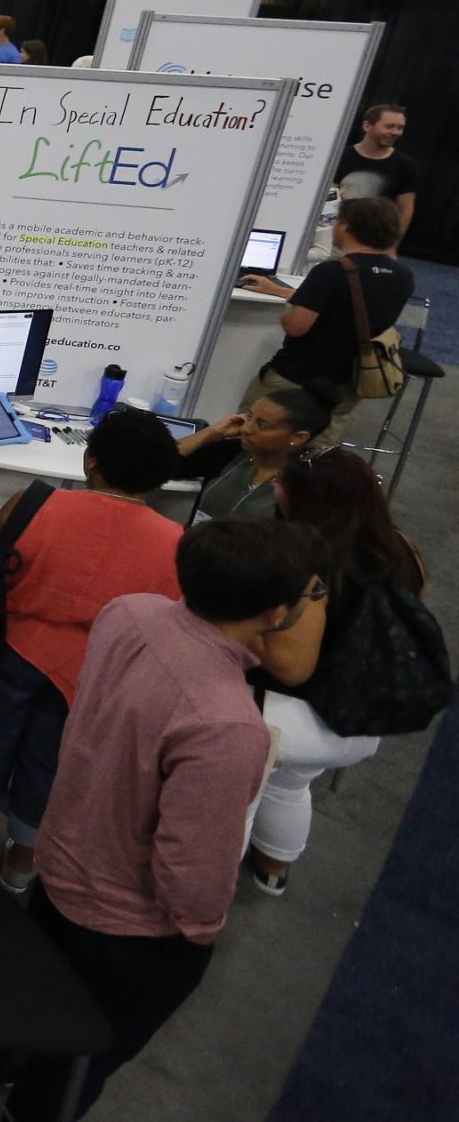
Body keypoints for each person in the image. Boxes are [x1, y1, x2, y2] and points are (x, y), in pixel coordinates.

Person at [0, 519, 320, 1118]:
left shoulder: (129, 611)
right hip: (130, 928)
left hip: (63, 859)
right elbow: (192, 863)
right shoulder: (226, 724)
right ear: (275, 614)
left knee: (27, 985)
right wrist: (200, 928)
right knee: (78, 1060)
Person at [0, 409, 184, 895]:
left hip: (14, 646)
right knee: (55, 757)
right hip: (94, 672)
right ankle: (23, 856)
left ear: (91, 461)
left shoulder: (32, 505)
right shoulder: (178, 545)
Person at [239, 449, 424, 898]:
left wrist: (235, 625)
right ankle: (272, 873)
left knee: (235, 804)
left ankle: (205, 895)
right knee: (291, 785)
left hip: (285, 717)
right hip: (360, 716)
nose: (275, 486)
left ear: (311, 499)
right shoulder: (400, 550)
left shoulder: (302, 566)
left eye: (282, 481)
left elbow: (288, 666)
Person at [239, 197, 412, 440]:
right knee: (313, 452)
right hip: (347, 385)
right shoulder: (402, 275)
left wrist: (290, 304)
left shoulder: (332, 271)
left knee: (249, 437)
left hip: (296, 377)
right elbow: (349, 306)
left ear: (346, 226)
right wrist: (281, 290)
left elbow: (296, 326)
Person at [175, 385, 333, 520]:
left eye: (261, 425)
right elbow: (163, 463)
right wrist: (212, 432)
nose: (245, 428)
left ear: (298, 437)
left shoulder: (306, 482)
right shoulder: (232, 451)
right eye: (249, 417)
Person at [332, 103, 416, 235]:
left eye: (400, 128)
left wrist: (392, 245)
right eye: (389, 127)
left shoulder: (406, 166)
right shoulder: (340, 156)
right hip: (334, 234)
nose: (395, 132)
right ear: (367, 126)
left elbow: (405, 209)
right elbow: (327, 197)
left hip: (373, 239)